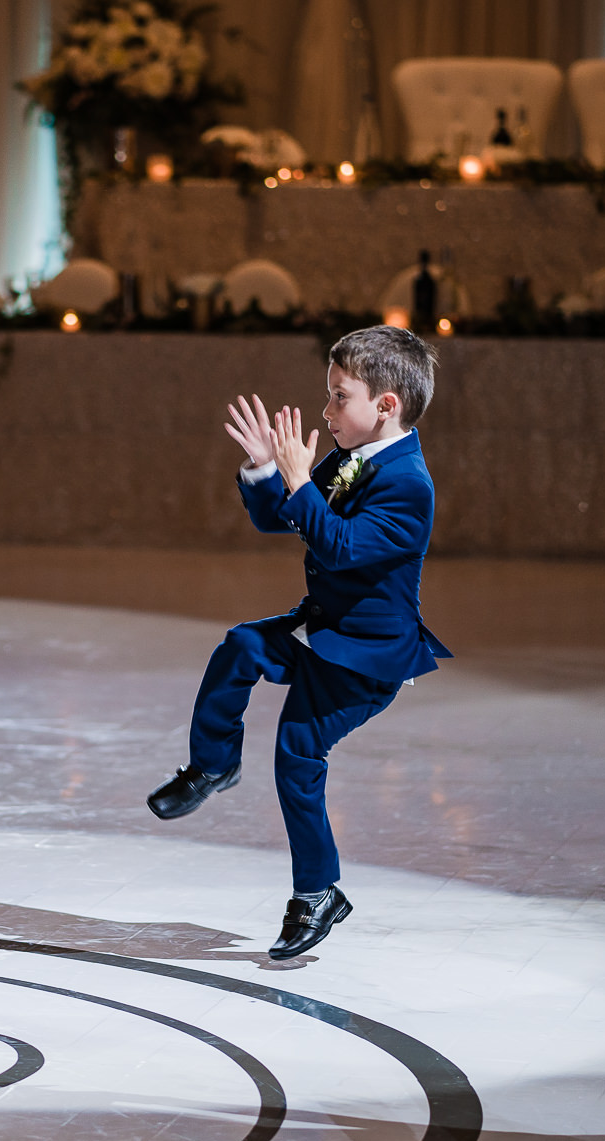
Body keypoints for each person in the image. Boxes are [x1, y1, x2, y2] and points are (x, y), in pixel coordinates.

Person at [146, 325, 452, 960]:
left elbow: (338, 549)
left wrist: (299, 479)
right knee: (242, 645)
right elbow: (283, 517)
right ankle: (214, 765)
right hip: (323, 632)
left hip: (365, 660)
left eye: (340, 396)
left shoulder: (408, 484)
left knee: (297, 757)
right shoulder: (352, 459)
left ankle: (317, 893)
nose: (326, 410)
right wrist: (267, 468)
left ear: (386, 404)